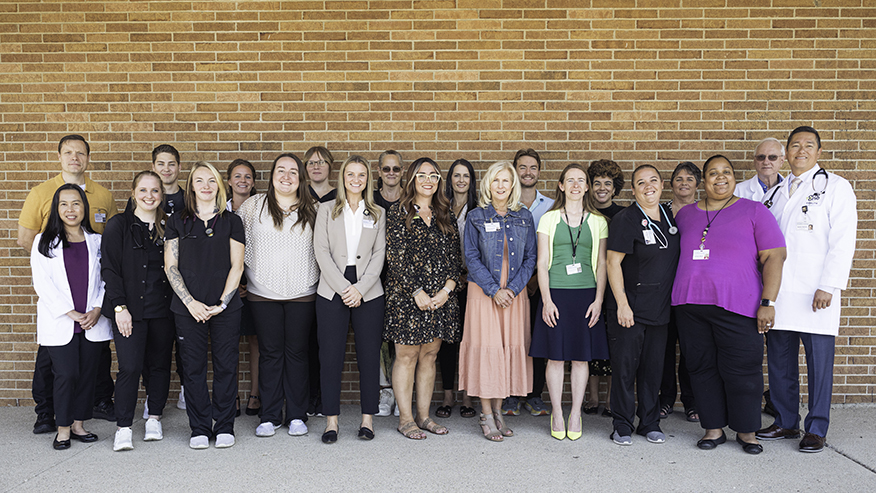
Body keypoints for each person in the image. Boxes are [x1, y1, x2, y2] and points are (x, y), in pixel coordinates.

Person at [672, 155, 786, 455]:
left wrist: (768, 302)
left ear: (734, 178)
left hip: (739, 305)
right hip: (689, 305)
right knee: (701, 368)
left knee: (743, 370)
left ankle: (747, 431)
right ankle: (713, 428)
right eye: (712, 173)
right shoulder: (685, 216)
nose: (719, 178)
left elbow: (775, 256)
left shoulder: (754, 211)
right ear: (703, 181)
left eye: (726, 172)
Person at [756, 126, 857, 453]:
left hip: (816, 293)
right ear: (786, 153)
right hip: (780, 293)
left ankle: (816, 428)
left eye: (808, 145)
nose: (801, 150)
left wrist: (829, 285)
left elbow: (843, 241)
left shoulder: (835, 187)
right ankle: (786, 421)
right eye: (795, 145)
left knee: (819, 365)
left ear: (818, 151)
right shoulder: (777, 191)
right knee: (780, 362)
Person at [18, 134, 119, 435]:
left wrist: (98, 306)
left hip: (91, 307)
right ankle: (47, 414)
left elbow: (109, 256)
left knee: (91, 368)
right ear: (60, 156)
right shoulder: (41, 194)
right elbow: (28, 242)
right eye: (68, 152)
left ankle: (83, 417)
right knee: (56, 368)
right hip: (60, 307)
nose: (75, 157)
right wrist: (55, 263)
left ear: (88, 157)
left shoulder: (102, 196)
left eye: (81, 153)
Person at [236, 153, 319, 439]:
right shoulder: (253, 206)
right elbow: (236, 244)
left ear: (301, 178)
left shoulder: (314, 208)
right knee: (270, 354)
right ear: (272, 175)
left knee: (297, 354)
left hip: (303, 291)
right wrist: (239, 279)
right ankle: (269, 415)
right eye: (280, 170)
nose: (286, 176)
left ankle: (296, 414)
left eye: (293, 171)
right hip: (262, 292)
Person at [164, 161, 245, 449]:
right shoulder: (177, 221)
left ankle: (224, 426)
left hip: (225, 309)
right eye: (200, 181)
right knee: (193, 369)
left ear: (219, 186)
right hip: (188, 309)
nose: (206, 186)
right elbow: (170, 266)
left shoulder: (232, 221)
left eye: (211, 180)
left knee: (226, 367)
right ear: (192, 187)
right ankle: (199, 428)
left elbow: (237, 266)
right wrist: (191, 303)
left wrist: (222, 303)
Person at [459, 160, 537, 442]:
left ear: (513, 185)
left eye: (506, 181)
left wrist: (513, 289)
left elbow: (531, 258)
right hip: (484, 292)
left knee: (505, 349)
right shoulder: (476, 217)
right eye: (496, 181)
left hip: (513, 294)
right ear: (487, 185)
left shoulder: (524, 216)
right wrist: (494, 290)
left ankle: (499, 411)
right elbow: (471, 257)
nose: (501, 186)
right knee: (488, 349)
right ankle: (486, 413)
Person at [530, 163, 609, 441]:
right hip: (556, 294)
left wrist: (599, 300)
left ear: (587, 186)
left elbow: (601, 263)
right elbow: (541, 263)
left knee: (580, 357)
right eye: (570, 180)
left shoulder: (598, 221)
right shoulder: (549, 219)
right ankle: (557, 412)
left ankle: (575, 412)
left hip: (586, 295)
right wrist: (547, 300)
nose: (576, 185)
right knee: (555, 357)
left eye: (581, 180)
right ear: (561, 185)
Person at [384, 157, 461, 440]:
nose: (428, 180)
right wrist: (417, 292)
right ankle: (405, 419)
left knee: (429, 356)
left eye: (433, 175)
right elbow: (396, 258)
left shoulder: (446, 214)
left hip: (440, 300)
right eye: (422, 175)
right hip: (407, 298)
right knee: (406, 356)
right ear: (412, 179)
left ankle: (424, 416)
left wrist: (445, 291)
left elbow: (456, 260)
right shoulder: (398, 212)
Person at [30, 184, 112, 450]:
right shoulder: (43, 241)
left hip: (91, 320)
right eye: (64, 204)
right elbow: (42, 284)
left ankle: (78, 424)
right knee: (65, 374)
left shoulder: (97, 241)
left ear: (84, 207)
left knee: (88, 373)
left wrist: (97, 309)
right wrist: (71, 312)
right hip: (61, 320)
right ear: (56, 208)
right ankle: (62, 428)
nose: (70, 209)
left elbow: (105, 280)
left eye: (76, 203)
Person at [606, 165, 681, 446]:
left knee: (653, 369)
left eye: (653, 180)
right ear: (633, 190)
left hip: (660, 308)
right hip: (630, 307)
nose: (648, 186)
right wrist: (623, 304)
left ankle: (649, 422)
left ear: (661, 185)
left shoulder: (669, 217)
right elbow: (612, 263)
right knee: (625, 368)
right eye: (641, 182)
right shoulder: (626, 219)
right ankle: (622, 424)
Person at [314, 155, 387, 443]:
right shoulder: (326, 209)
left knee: (369, 358)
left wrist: (361, 288)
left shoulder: (378, 213)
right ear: (342, 177)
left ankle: (367, 420)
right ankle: (331, 421)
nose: (356, 180)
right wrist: (345, 287)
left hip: (369, 292)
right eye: (350, 174)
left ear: (368, 179)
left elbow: (380, 254)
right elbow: (321, 251)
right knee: (330, 357)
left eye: (361, 175)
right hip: (332, 289)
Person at [101, 171, 174, 451]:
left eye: (155, 191)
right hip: (129, 310)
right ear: (133, 193)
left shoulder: (168, 226)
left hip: (163, 310)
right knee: (130, 367)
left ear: (161, 195)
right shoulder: (118, 225)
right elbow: (109, 269)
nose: (149, 196)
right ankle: (123, 427)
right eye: (143, 190)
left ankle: (154, 418)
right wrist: (119, 307)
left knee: (158, 366)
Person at [503, 148, 554, 417]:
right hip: (510, 285)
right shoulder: (504, 204)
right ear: (514, 170)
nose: (528, 172)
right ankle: (511, 395)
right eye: (522, 167)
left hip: (542, 283)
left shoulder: (551, 205)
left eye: (533, 167)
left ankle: (535, 395)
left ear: (539, 171)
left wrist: (535, 279)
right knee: (513, 340)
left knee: (539, 339)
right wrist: (519, 281)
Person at [658, 162, 701, 423]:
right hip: (663, 290)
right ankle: (665, 399)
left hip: (692, 291)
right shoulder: (659, 211)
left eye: (689, 178)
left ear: (698, 184)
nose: (683, 183)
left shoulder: (705, 211)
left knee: (691, 349)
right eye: (678, 178)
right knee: (663, 348)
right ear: (671, 184)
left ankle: (691, 400)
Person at [436, 158, 478, 420]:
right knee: (448, 342)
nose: (461, 180)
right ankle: (448, 395)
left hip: (473, 283)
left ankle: (468, 396)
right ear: (449, 179)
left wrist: (469, 276)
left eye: (466, 176)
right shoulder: (441, 207)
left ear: (472, 181)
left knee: (469, 340)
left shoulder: (479, 208)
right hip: (447, 285)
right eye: (456, 175)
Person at [583, 159, 625, 417]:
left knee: (613, 345)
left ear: (614, 188)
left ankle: (610, 399)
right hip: (587, 284)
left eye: (607, 184)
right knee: (590, 341)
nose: (601, 188)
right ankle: (592, 397)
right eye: (596, 183)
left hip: (614, 287)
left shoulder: (622, 216)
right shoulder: (583, 214)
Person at [226, 159, 261, 417]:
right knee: (228, 343)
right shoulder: (218, 210)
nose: (243, 181)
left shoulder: (261, 209)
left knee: (255, 342)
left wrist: (250, 282)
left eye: (248, 177)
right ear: (228, 181)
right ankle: (232, 396)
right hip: (226, 286)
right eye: (237, 176)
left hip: (256, 285)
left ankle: (255, 395)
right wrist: (232, 284)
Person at [303, 145, 335, 417]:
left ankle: (325, 397)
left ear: (330, 167)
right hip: (303, 275)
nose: (317, 166)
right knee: (306, 342)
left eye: (322, 162)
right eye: (312, 162)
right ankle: (309, 396)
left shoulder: (341, 197)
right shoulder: (299, 195)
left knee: (328, 344)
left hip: (332, 277)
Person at [373, 150, 404, 417]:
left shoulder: (410, 200)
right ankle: (385, 392)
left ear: (402, 172)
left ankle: (400, 392)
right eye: (386, 169)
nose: (391, 174)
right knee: (378, 338)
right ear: (379, 172)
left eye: (395, 169)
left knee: (402, 339)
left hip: (405, 281)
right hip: (374, 278)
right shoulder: (369, 200)